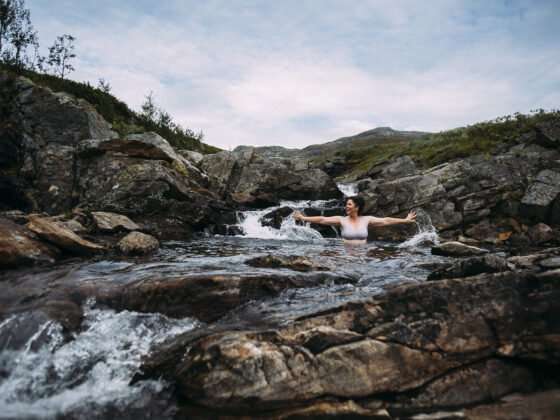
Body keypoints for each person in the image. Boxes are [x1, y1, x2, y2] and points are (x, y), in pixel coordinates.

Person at [293, 196, 416, 244]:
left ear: (357, 207)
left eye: (349, 204)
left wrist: (405, 220)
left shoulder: (367, 219)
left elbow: (386, 221)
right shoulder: (341, 220)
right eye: (346, 204)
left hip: (363, 255)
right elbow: (322, 219)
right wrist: (304, 218)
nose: (346, 206)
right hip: (345, 256)